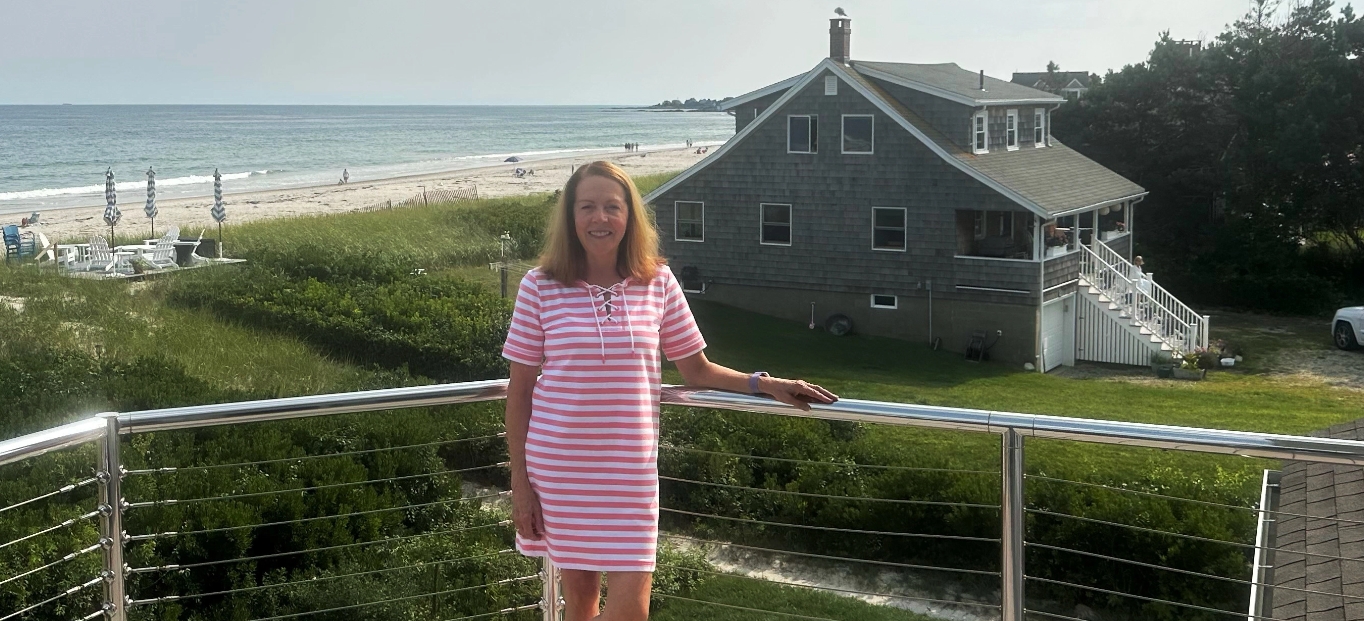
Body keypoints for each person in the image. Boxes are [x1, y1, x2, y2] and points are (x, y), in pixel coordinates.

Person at [503, 161, 836, 621]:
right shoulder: (539, 286)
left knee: (630, 612)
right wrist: (520, 484)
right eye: (587, 207)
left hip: (630, 475)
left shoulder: (657, 281)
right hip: (560, 472)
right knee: (579, 606)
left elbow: (696, 369)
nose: (600, 218)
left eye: (612, 207)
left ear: (629, 216)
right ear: (571, 216)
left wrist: (766, 384)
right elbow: (519, 394)